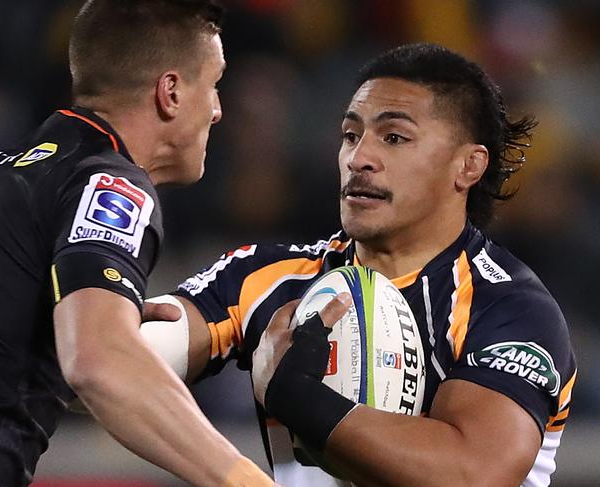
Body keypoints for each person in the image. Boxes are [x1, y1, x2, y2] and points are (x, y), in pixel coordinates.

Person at [148, 43, 577, 486]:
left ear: (468, 165)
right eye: (351, 136)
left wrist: (300, 399)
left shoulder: (509, 308)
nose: (359, 158)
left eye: (394, 137)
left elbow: (472, 474)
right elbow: (122, 358)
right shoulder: (263, 279)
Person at [0, 1, 277, 486]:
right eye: (213, 84)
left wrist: (83, 317)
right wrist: (245, 480)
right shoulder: (110, 182)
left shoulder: (3, 174)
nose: (218, 109)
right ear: (170, 92)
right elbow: (98, 362)